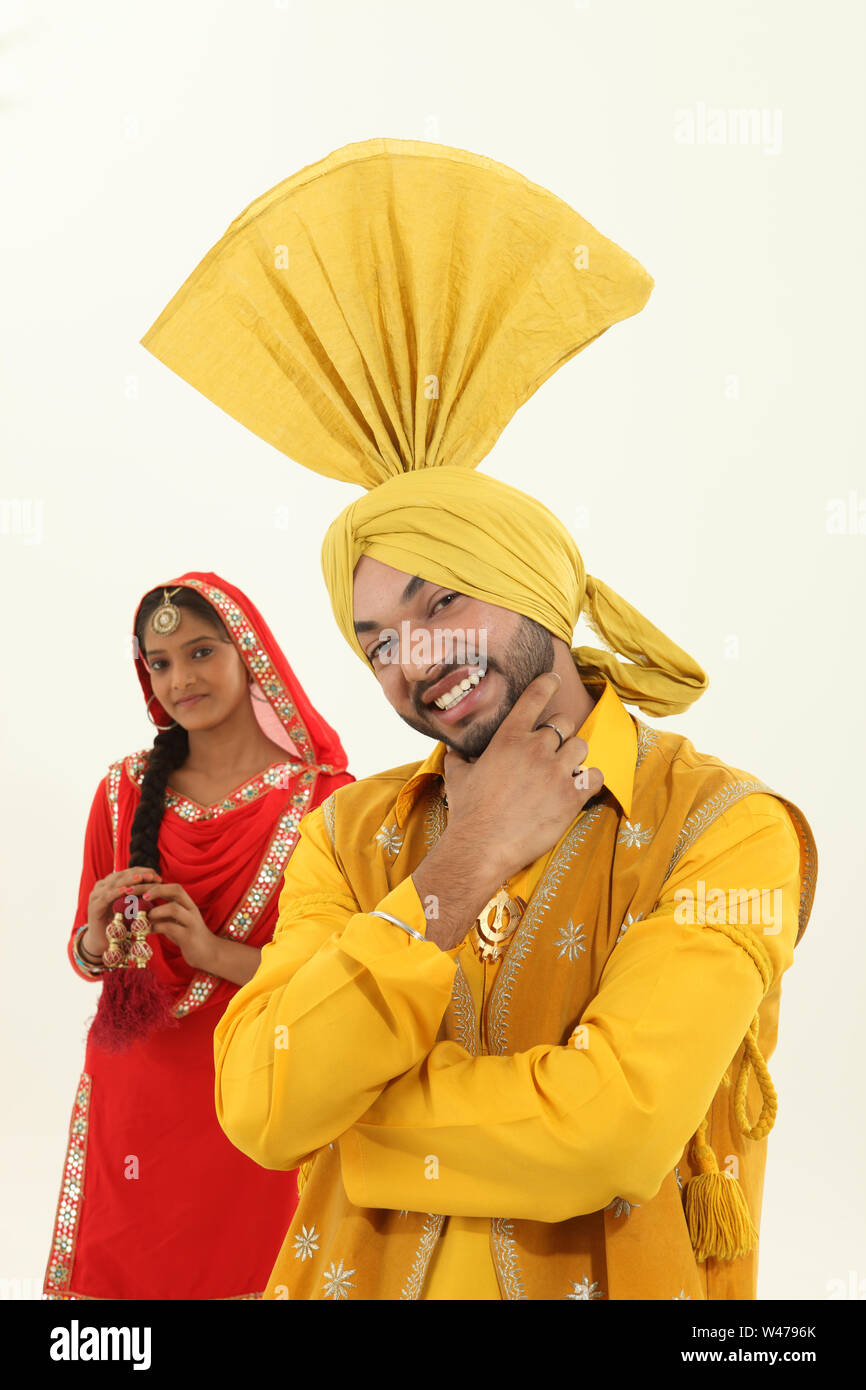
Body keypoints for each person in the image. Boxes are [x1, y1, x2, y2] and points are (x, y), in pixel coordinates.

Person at [140, 139, 817, 1300]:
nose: (417, 659)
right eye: (376, 641)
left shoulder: (721, 830)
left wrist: (353, 1126)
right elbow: (257, 1103)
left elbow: (612, 1135)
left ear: (535, 580)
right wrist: (457, 872)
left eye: (442, 599)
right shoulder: (346, 835)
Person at [42, 571, 352, 1300]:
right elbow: (86, 961)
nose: (180, 677)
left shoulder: (327, 803)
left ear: (249, 653)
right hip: (139, 1090)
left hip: (258, 1086)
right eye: (161, 663)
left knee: (254, 1265)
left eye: (201, 651)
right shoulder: (120, 791)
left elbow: (336, 976)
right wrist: (95, 938)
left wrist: (211, 953)